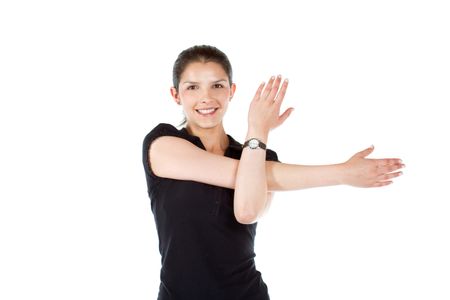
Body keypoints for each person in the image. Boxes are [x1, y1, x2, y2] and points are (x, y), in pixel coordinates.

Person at [142, 45, 404, 300]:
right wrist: (258, 129)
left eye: (218, 85)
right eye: (192, 87)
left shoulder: (259, 157)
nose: (206, 97)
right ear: (176, 95)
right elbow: (253, 176)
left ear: (231, 91)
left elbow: (247, 211)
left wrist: (258, 136)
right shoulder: (163, 144)